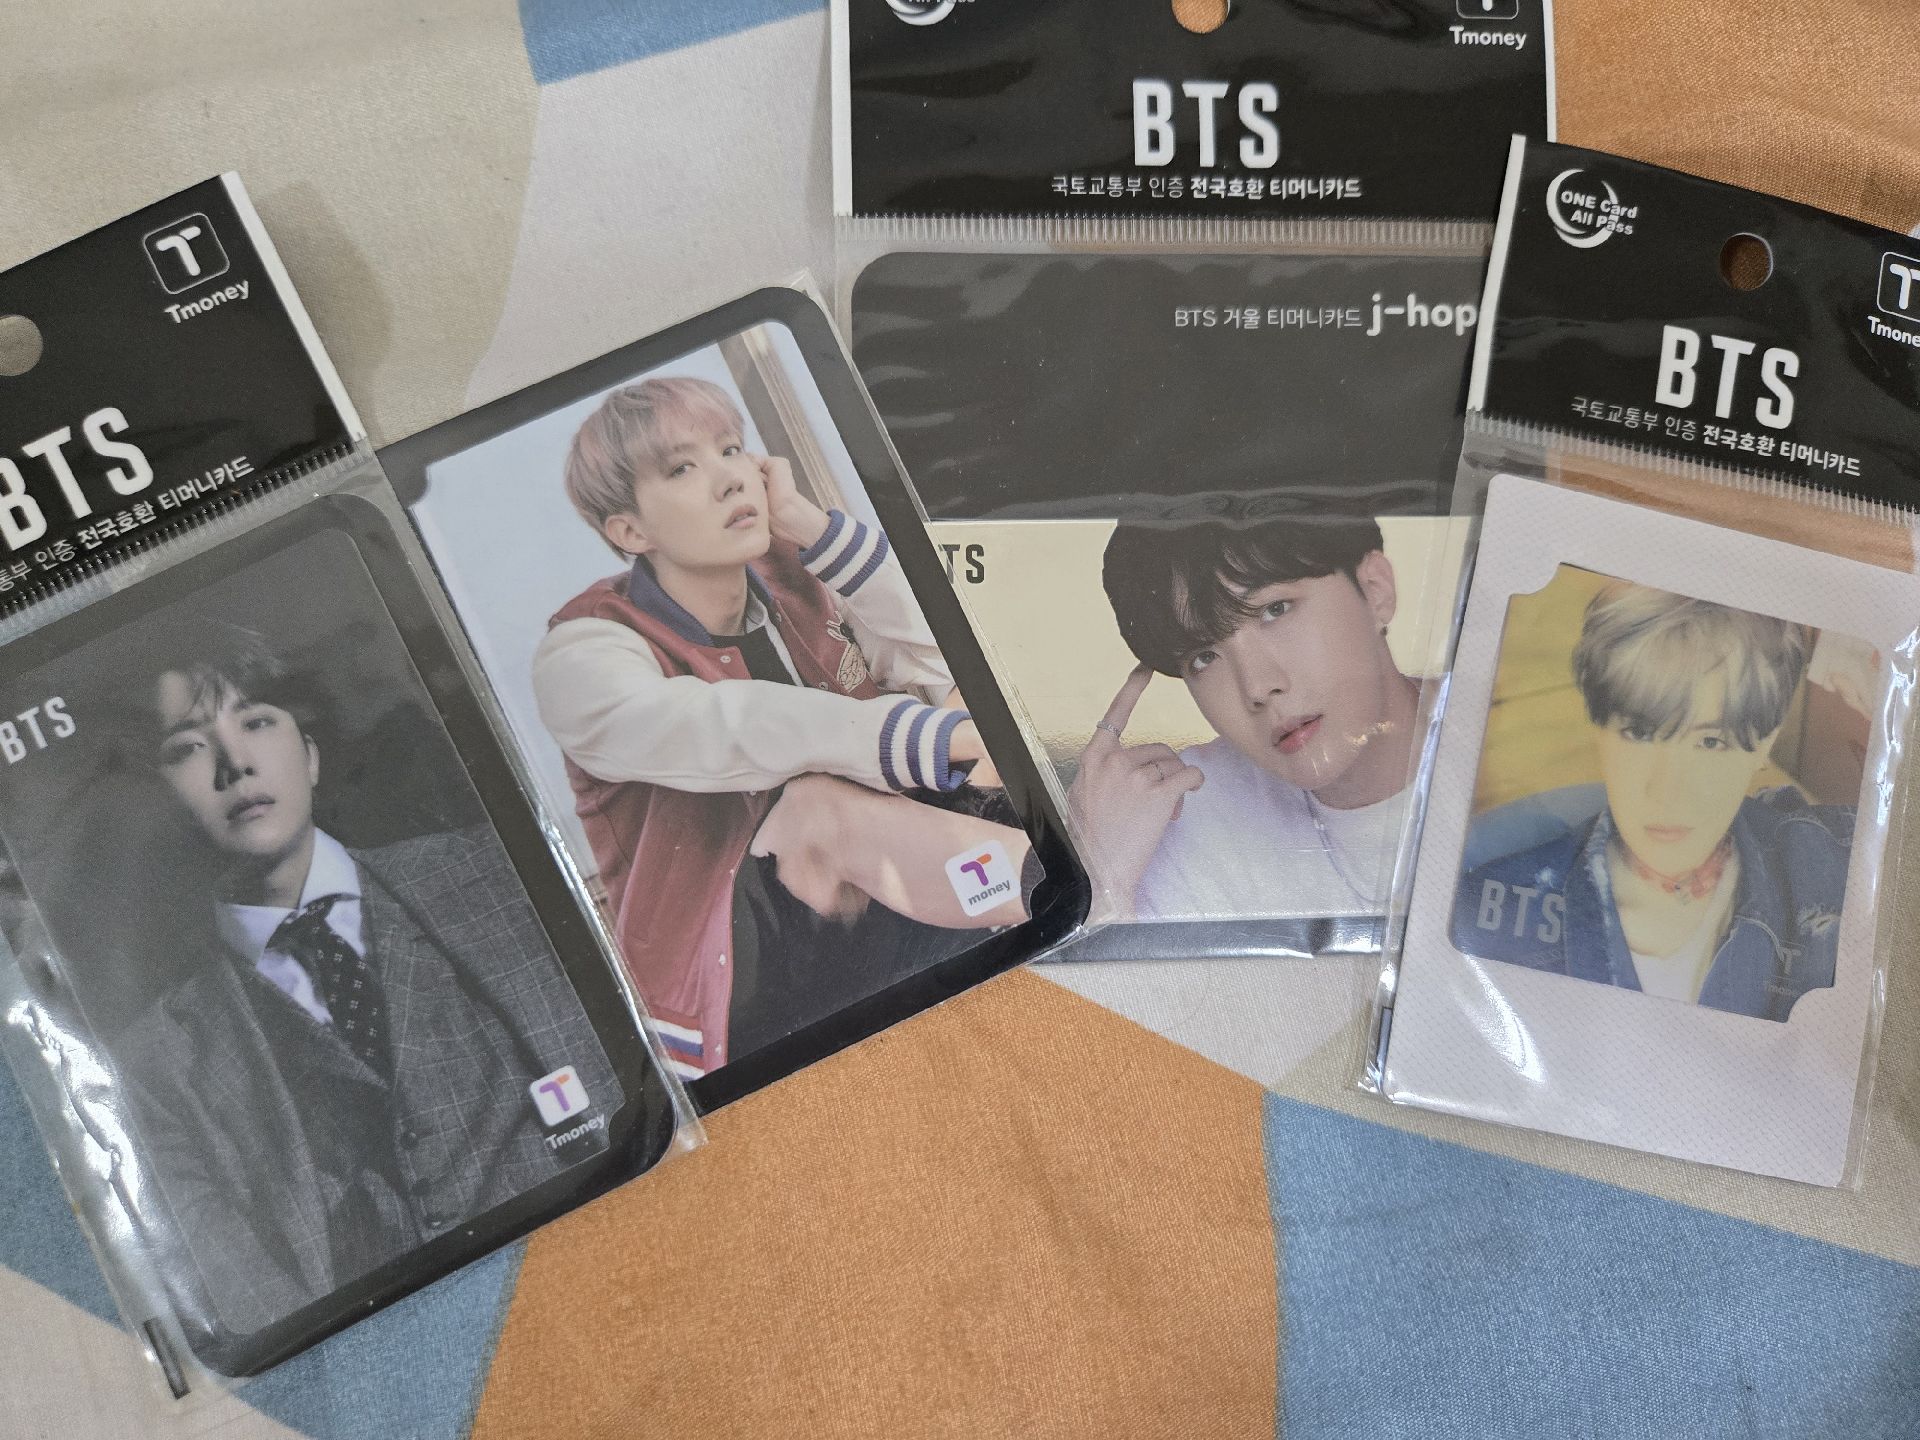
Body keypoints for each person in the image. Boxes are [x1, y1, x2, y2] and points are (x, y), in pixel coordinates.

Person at [112, 621, 617, 1344]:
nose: (235, 764)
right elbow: (254, 1309)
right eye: (188, 748)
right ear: (167, 800)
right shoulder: (157, 1064)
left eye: (256, 722)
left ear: (311, 754)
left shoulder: (489, 874)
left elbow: (617, 1099)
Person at [531, 376, 1035, 1076]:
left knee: (967, 705)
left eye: (731, 449)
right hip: (734, 976)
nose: (729, 478)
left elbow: (956, 651)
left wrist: (812, 527)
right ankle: (1066, 893)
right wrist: (916, 738)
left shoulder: (791, 573)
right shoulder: (582, 652)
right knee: (816, 802)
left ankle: (1043, 887)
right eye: (682, 468)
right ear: (630, 531)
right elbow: (728, 723)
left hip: (872, 891)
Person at [1454, 582, 1851, 1022]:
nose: (1667, 791)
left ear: (1765, 745)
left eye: (1711, 742)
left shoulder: (1836, 870)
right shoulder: (1484, 914)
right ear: (1597, 728)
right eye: (1640, 733)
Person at [1073, 504, 1420, 921]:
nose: (1256, 687)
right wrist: (1099, 878)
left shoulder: (1492, 731)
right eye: (1204, 657)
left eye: (1275, 610)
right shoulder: (1187, 816)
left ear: (1375, 591)